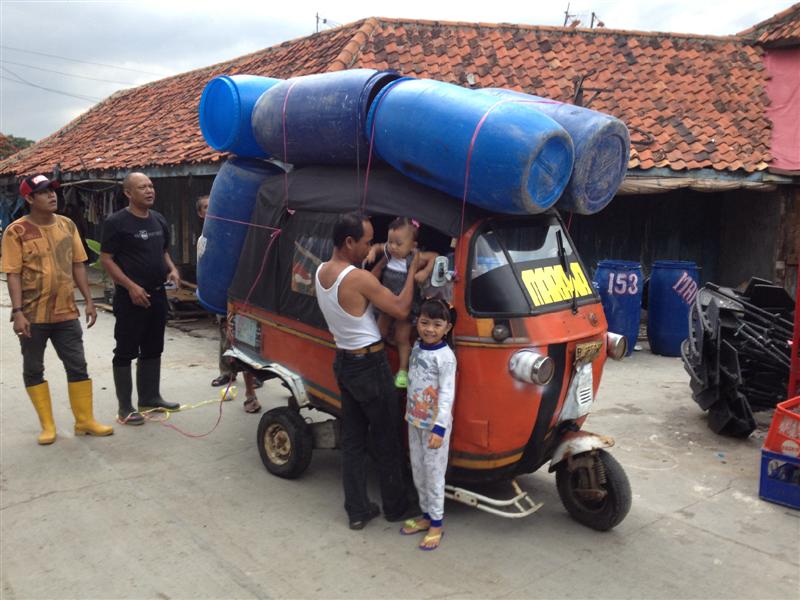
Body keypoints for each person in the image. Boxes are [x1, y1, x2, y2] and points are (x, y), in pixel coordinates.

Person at [314, 212, 419, 530]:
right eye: (367, 241)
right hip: (370, 366)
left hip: (345, 360)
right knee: (387, 438)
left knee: (354, 440)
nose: (372, 246)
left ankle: (357, 510)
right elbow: (400, 308)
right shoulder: (358, 278)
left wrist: (381, 266)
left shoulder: (321, 271)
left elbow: (362, 290)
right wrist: (412, 269)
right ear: (348, 242)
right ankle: (397, 507)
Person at [1, 174, 113, 444]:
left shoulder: (67, 225)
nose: (52, 196)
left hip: (66, 311)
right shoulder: (16, 231)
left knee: (77, 365)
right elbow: (13, 273)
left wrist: (88, 300)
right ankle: (47, 425)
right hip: (32, 314)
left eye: (53, 190)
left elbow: (78, 264)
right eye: (43, 192)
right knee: (33, 368)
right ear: (29, 199)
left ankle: (84, 421)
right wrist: (17, 312)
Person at [100, 172, 181, 425]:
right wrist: (131, 286)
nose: (149, 190)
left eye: (151, 186)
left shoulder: (158, 219)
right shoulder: (117, 222)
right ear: (128, 193)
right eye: (142, 187)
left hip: (157, 295)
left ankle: (150, 397)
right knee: (125, 350)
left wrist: (173, 269)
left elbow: (164, 251)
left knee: (153, 347)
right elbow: (106, 259)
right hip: (130, 298)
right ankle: (125, 407)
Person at [399, 298, 457, 551]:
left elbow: (447, 394)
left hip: (435, 427)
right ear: (417, 323)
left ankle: (437, 523)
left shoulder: (446, 357)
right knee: (418, 471)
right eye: (424, 323)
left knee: (434, 475)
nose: (429, 329)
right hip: (414, 421)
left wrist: (440, 427)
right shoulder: (416, 347)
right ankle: (426, 516)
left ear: (447, 327)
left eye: (436, 324)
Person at [367, 217, 437, 389]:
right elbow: (377, 246)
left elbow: (435, 256)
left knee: (401, 338)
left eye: (398, 243)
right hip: (387, 302)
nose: (393, 247)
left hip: (406, 305)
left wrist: (426, 271)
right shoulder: (389, 254)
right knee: (378, 332)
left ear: (413, 245)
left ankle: (403, 371)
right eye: (391, 242)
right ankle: (377, 365)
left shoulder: (414, 258)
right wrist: (372, 252)